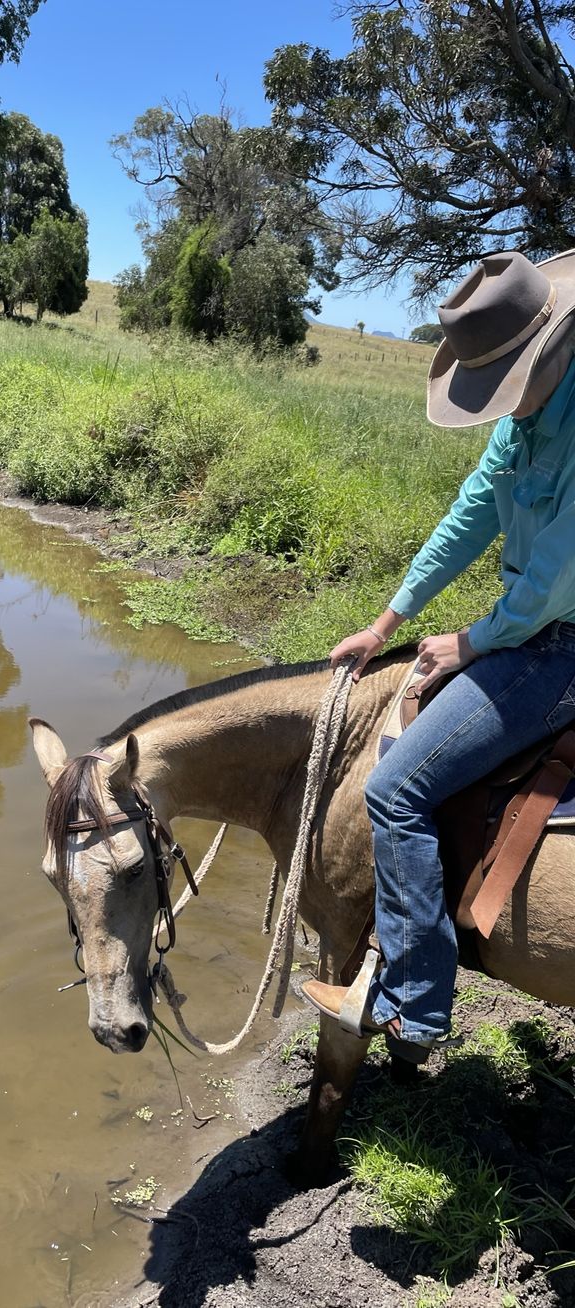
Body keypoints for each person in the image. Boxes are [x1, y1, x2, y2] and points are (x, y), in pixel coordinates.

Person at [302, 249, 575, 1057]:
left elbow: (552, 587)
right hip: (538, 625)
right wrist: (388, 620)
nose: (502, 405)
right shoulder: (523, 422)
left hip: (560, 642)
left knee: (395, 788)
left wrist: (467, 640)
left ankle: (418, 1003)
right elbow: (470, 515)